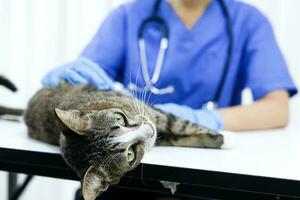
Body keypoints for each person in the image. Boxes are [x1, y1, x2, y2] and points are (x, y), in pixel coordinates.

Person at [43, 0, 297, 132]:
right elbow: (84, 87)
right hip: (134, 157)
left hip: (210, 162)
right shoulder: (129, 16)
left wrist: (204, 120)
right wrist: (70, 80)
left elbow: (277, 109)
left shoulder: (248, 21)